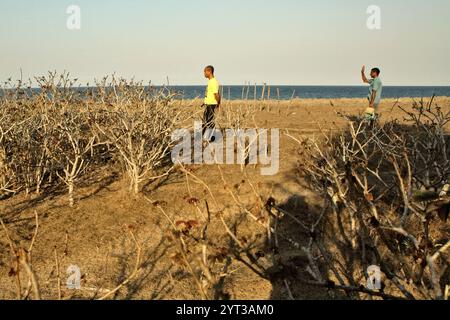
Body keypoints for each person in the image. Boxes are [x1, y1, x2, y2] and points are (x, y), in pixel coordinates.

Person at [202, 65, 221, 142]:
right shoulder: (210, 81)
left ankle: (211, 138)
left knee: (209, 122)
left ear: (209, 72)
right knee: (206, 121)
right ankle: (206, 137)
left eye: (205, 71)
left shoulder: (213, 81)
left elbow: (216, 94)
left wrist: (218, 103)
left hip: (211, 105)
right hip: (208, 104)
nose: (204, 73)